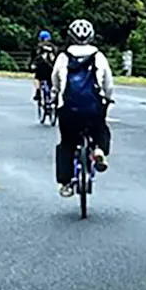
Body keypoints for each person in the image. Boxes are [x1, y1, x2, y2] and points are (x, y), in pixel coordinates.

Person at [50, 19, 113, 197]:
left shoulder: (63, 57)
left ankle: (66, 183)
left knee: (67, 143)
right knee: (101, 129)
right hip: (93, 107)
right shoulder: (98, 56)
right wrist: (107, 99)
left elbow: (55, 80)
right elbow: (108, 84)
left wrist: (56, 94)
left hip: (68, 109)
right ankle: (99, 149)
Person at [31, 30, 57, 104]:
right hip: (51, 67)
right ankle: (54, 93)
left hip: (40, 66)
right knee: (52, 80)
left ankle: (38, 91)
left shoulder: (38, 47)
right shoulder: (53, 47)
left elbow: (34, 57)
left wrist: (32, 65)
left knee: (37, 78)